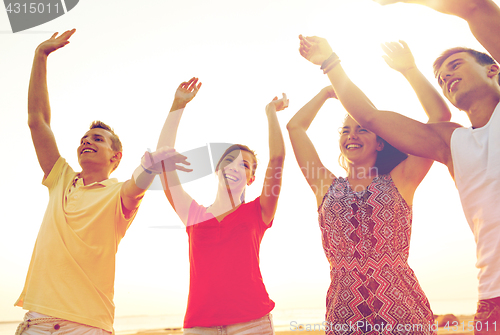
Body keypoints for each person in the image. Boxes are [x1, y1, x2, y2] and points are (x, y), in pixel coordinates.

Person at [298, 0, 500, 333]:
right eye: (440, 75)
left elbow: (477, 8)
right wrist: (330, 62)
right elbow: (371, 117)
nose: (446, 75)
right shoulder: (451, 143)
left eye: (455, 64)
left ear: (493, 69)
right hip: (493, 296)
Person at [15, 30, 190, 335]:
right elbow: (37, 120)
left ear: (115, 156)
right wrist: (40, 55)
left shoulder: (118, 193)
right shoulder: (60, 179)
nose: (87, 142)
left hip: (89, 325)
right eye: (83, 139)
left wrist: (150, 164)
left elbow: (140, 180)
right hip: (39, 321)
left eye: (98, 139)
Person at [288, 40, 451, 333]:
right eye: (345, 130)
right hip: (344, 311)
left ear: (380, 141)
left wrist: (410, 70)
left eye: (361, 128)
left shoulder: (402, 180)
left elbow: (438, 119)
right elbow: (295, 128)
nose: (351, 135)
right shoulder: (324, 185)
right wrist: (327, 92)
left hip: (401, 308)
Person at [156, 78, 286, 334]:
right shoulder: (193, 214)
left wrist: (270, 113)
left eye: (244, 164)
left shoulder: (259, 211)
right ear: (217, 170)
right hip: (199, 325)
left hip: (253, 322)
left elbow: (278, 159)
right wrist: (178, 105)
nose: (236, 167)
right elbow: (162, 163)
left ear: (251, 178)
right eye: (229, 160)